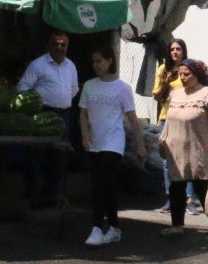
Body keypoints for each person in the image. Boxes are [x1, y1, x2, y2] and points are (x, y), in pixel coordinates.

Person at [78, 44, 145, 246]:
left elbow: (133, 119)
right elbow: (83, 114)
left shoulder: (122, 88)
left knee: (101, 182)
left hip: (113, 142)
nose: (96, 65)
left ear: (109, 61)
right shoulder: (89, 85)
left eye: (99, 61)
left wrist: (140, 145)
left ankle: (97, 227)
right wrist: (85, 135)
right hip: (95, 141)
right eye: (93, 62)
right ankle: (115, 228)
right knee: (105, 186)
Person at [159, 58, 208, 236]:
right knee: (176, 187)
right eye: (180, 74)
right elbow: (168, 120)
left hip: (200, 150)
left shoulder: (207, 94)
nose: (182, 77)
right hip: (176, 149)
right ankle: (176, 226)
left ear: (198, 75)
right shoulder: (175, 94)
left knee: (202, 187)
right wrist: (162, 140)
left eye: (187, 74)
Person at [17, 30, 79, 206]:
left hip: (63, 116)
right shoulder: (38, 65)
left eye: (63, 45)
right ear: (49, 45)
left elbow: (73, 89)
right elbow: (22, 87)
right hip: (42, 113)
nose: (59, 47)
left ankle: (51, 198)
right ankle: (32, 198)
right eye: (56, 44)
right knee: (36, 155)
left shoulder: (71, 66)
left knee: (58, 158)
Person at [148, 38, 187, 212]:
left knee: (186, 158)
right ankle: (170, 198)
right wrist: (166, 82)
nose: (175, 52)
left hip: (186, 118)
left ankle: (189, 199)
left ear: (184, 51)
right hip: (167, 118)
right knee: (166, 160)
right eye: (172, 49)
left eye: (178, 49)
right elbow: (156, 95)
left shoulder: (189, 69)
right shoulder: (163, 70)